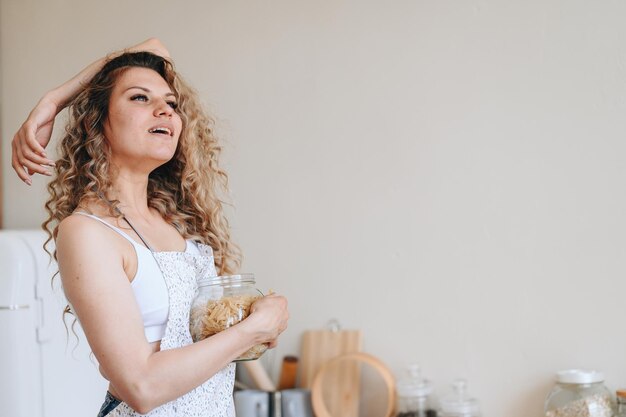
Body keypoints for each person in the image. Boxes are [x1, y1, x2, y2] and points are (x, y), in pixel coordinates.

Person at [11, 38, 289, 417]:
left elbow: (155, 47)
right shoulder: (87, 232)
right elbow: (141, 387)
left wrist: (251, 319)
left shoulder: (173, 223)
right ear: (98, 121)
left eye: (171, 104)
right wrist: (55, 102)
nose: (164, 110)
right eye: (140, 98)